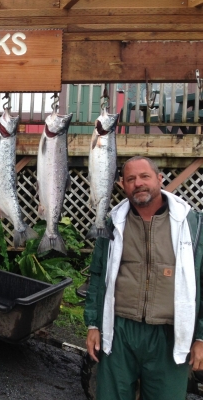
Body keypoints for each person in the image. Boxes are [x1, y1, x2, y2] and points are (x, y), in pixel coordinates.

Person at [84, 156, 203, 400]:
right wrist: (93, 324)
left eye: (144, 176)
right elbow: (98, 276)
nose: (138, 183)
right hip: (119, 332)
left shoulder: (191, 224)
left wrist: (201, 337)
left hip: (169, 335)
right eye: (131, 179)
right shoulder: (112, 224)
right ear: (122, 185)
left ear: (160, 179)